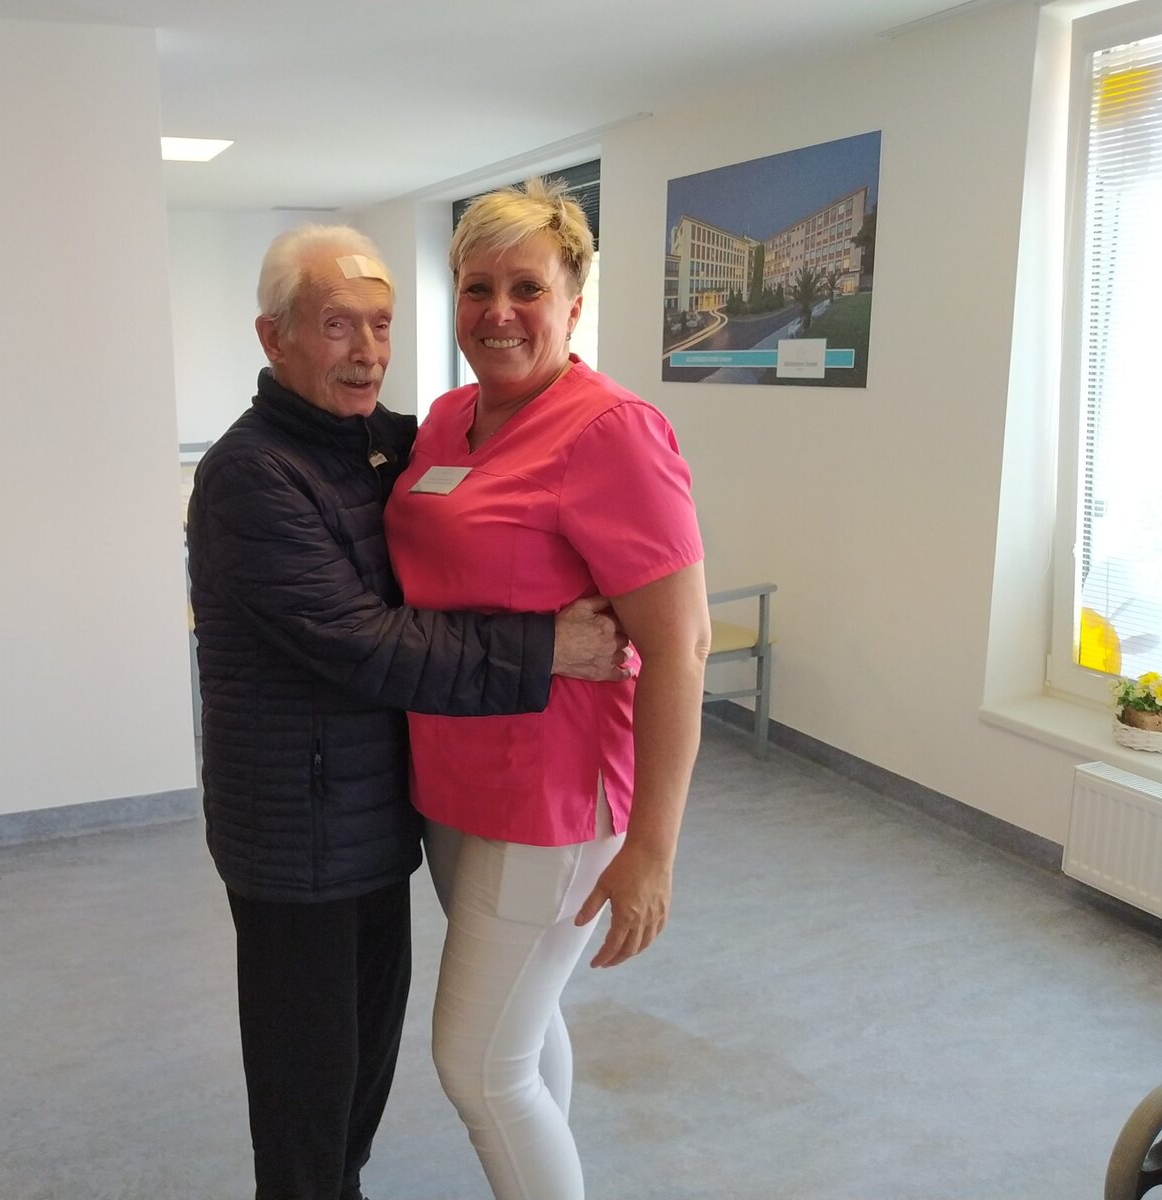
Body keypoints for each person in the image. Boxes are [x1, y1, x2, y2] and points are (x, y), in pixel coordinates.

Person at [185, 224, 629, 1200]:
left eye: (381, 325)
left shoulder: (391, 443)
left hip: (380, 818)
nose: (366, 351)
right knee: (308, 1098)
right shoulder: (248, 477)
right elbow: (364, 642)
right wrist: (548, 647)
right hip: (295, 837)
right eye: (336, 325)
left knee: (359, 1085)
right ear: (273, 338)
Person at [383, 180, 711, 1200]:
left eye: (527, 287)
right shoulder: (448, 419)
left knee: (477, 1065)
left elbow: (682, 647)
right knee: (521, 1033)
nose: (499, 312)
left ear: (573, 301)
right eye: (476, 287)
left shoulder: (612, 431)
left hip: (553, 797)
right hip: (453, 779)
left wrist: (652, 848)